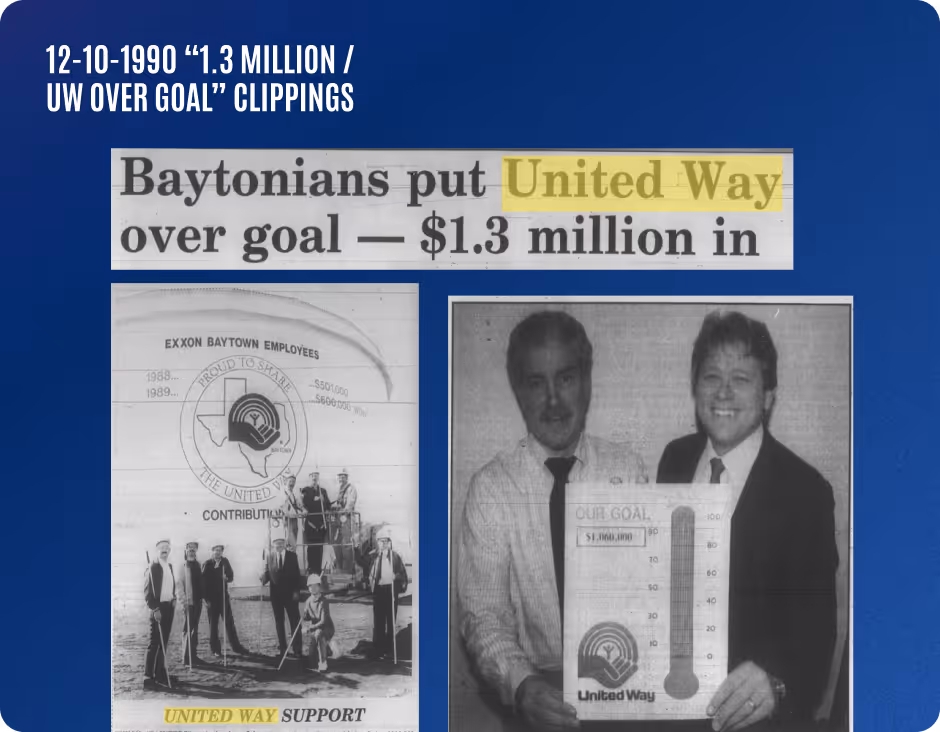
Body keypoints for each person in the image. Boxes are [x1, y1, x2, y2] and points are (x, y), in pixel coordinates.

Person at [457, 310, 647, 731]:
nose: (554, 400)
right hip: (536, 695)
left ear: (587, 382)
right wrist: (522, 684)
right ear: (517, 391)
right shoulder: (491, 489)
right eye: (536, 383)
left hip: (623, 687)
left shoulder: (627, 471)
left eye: (566, 378)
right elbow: (484, 614)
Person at [657, 310, 838, 731]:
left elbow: (816, 639)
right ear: (695, 387)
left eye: (741, 378)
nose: (723, 392)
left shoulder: (807, 492)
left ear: (769, 396)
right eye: (711, 377)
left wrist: (777, 684)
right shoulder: (674, 459)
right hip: (667, 709)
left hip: (748, 722)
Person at [201, 544, 249, 657]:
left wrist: (226, 578)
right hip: (211, 599)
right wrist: (205, 599)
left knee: (229, 623)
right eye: (216, 550)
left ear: (222, 552)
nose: (218, 552)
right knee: (213, 625)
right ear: (212, 551)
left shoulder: (225, 562)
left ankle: (236, 647)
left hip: (223, 597)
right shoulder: (207, 564)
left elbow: (231, 576)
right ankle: (215, 650)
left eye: (220, 550)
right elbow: (202, 582)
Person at [260, 536, 304, 659]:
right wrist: (263, 578)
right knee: (279, 622)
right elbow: (268, 573)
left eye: (281, 543)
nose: (279, 545)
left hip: (290, 595)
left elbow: (297, 575)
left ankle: (297, 649)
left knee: (294, 621)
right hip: (276, 595)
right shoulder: (270, 556)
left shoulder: (292, 556)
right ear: (273, 545)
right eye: (276, 543)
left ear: (284, 544)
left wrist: (296, 591)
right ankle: (283, 649)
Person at [368, 528, 408, 660]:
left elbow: (402, 573)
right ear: (377, 542)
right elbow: (362, 563)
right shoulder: (373, 556)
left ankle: (389, 649)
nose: (384, 544)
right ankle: (378, 649)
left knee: (391, 621)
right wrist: (356, 548)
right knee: (379, 621)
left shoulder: (395, 556)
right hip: (379, 591)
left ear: (390, 543)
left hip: (391, 591)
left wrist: (397, 576)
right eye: (381, 541)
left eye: (386, 541)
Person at [143, 539, 176, 689]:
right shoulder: (152, 567)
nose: (164, 549)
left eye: (167, 547)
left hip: (169, 607)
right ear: (157, 550)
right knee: (155, 643)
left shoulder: (169, 566)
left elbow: (170, 586)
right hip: (158, 608)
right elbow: (147, 592)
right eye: (161, 547)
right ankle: (148, 677)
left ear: (169, 550)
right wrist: (155, 609)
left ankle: (160, 673)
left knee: (164, 642)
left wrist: (173, 598)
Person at [175, 540, 204, 666]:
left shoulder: (198, 565)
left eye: (193, 550)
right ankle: (186, 659)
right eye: (189, 550)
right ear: (186, 551)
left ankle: (193, 655)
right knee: (187, 629)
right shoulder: (182, 566)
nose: (191, 552)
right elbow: (178, 586)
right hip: (188, 603)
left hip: (198, 602)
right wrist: (183, 601)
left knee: (194, 629)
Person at [302, 574, 335, 672]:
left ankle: (323, 663)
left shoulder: (323, 601)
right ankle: (327, 649)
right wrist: (305, 615)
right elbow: (307, 618)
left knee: (318, 634)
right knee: (311, 660)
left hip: (327, 628)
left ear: (319, 587)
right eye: (310, 586)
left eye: (315, 585)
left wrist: (310, 628)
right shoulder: (308, 601)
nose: (313, 588)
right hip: (315, 628)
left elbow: (323, 622)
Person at [301, 471, 332, 575]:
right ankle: (311, 571)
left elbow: (328, 505)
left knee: (319, 548)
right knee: (311, 548)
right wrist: (316, 500)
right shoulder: (305, 490)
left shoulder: (323, 491)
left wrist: (324, 502)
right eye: (312, 476)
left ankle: (318, 571)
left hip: (321, 525)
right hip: (311, 524)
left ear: (318, 477)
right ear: (309, 477)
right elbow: (305, 503)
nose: (314, 478)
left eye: (316, 476)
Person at [332, 468, 358, 572]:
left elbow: (350, 503)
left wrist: (343, 511)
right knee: (336, 542)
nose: (341, 479)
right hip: (338, 519)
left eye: (343, 477)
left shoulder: (351, 489)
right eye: (340, 477)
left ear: (347, 478)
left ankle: (348, 569)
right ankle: (339, 567)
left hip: (347, 519)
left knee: (346, 543)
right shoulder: (338, 490)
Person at [281, 475, 305, 551]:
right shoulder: (283, 493)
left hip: (294, 518)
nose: (292, 483)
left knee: (294, 535)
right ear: (286, 482)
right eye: (290, 481)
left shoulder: (292, 494)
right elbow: (282, 507)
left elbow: (297, 505)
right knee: (289, 537)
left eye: (293, 482)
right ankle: (290, 553)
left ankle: (293, 553)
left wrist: (303, 510)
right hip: (288, 519)